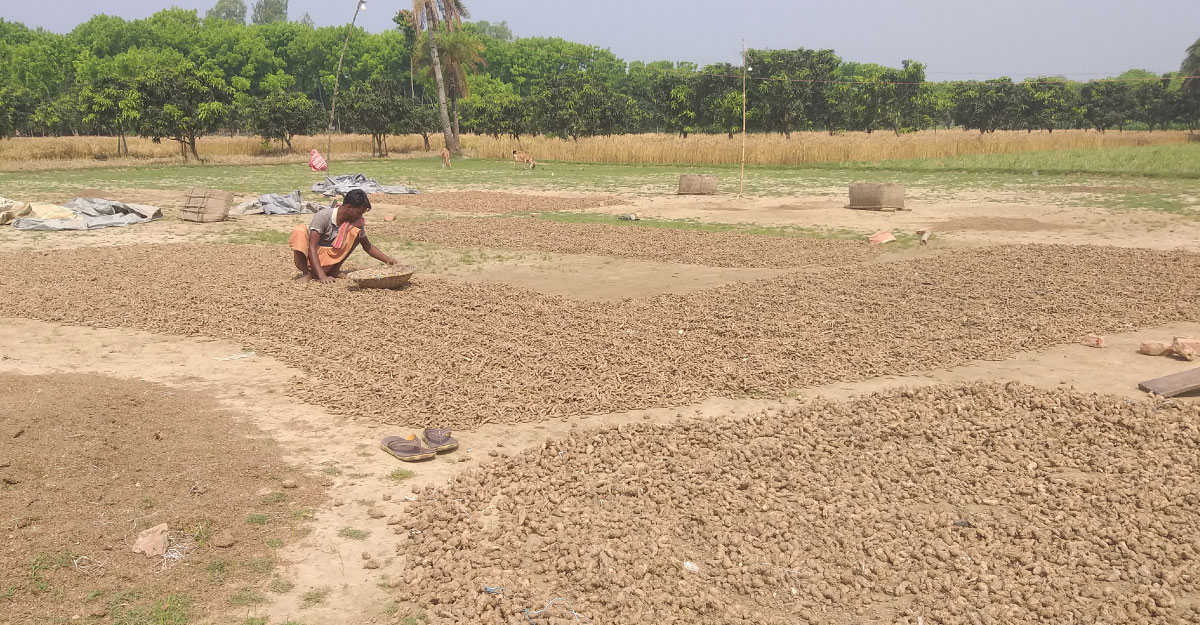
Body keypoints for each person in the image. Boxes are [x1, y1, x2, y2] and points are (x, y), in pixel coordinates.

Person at [288, 189, 397, 284]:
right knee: (299, 230)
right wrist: (322, 276)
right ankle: (306, 273)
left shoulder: (355, 223)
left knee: (356, 233)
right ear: (349, 207)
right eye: (359, 213)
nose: (360, 216)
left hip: (330, 261)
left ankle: (334, 270)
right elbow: (312, 247)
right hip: (310, 260)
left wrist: (388, 260)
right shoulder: (323, 216)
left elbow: (367, 245)